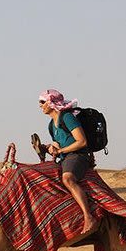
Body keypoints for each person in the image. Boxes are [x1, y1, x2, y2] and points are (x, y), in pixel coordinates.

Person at [38, 88, 99, 234]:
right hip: (65, 158)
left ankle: (88, 216)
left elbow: (81, 141)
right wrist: (49, 148)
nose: (40, 105)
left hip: (78, 156)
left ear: (51, 102)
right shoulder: (51, 125)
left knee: (68, 179)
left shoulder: (67, 118)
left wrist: (60, 151)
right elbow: (58, 143)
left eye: (42, 101)